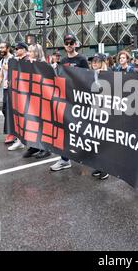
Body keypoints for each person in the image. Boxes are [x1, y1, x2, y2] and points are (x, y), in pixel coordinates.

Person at [50, 34, 89, 171]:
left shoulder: (82, 59)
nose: (69, 45)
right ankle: (64, 159)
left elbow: (87, 79)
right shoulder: (64, 60)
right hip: (66, 100)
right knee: (65, 130)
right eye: (66, 43)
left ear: (75, 43)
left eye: (71, 42)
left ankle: (91, 157)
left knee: (82, 129)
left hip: (79, 100)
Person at [89, 53, 110, 180]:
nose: (94, 63)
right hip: (94, 111)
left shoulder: (109, 74)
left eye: (97, 61)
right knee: (96, 140)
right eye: (92, 61)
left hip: (106, 112)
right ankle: (99, 165)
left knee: (104, 141)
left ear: (103, 62)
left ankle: (105, 168)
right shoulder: (89, 74)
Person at [0, 42, 15, 144]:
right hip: (6, 88)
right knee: (4, 110)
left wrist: (9, 69)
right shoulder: (2, 61)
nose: (0, 49)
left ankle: (11, 133)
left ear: (8, 48)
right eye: (0, 47)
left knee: (9, 110)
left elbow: (19, 73)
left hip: (14, 88)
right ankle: (14, 131)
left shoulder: (14, 59)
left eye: (2, 47)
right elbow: (1, 76)